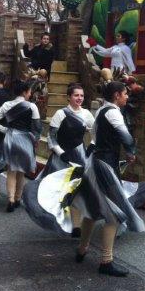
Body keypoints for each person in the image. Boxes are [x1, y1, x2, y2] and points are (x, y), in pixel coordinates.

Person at [75, 81, 144, 277]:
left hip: (96, 162)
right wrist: (131, 151)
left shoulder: (101, 110)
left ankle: (82, 250)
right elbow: (125, 136)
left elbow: (96, 136)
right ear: (116, 95)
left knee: (92, 209)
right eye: (125, 93)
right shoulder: (113, 112)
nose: (127, 96)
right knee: (114, 214)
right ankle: (106, 261)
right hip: (105, 165)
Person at [41, 82, 95, 237]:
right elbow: (51, 137)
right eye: (76, 95)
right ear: (69, 97)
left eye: (82, 95)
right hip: (61, 157)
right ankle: (56, 220)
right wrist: (60, 153)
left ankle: (76, 226)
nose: (79, 98)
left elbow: (97, 132)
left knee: (76, 189)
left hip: (79, 155)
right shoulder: (60, 114)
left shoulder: (86, 114)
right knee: (59, 189)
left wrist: (92, 145)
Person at [0, 79, 42, 212]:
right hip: (26, 139)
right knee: (21, 171)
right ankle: (18, 198)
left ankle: (10, 199)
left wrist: (7, 130)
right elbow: (37, 127)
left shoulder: (7, 105)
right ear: (24, 92)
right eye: (29, 92)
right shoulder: (32, 106)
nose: (30, 94)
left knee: (11, 171)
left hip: (10, 139)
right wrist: (36, 140)